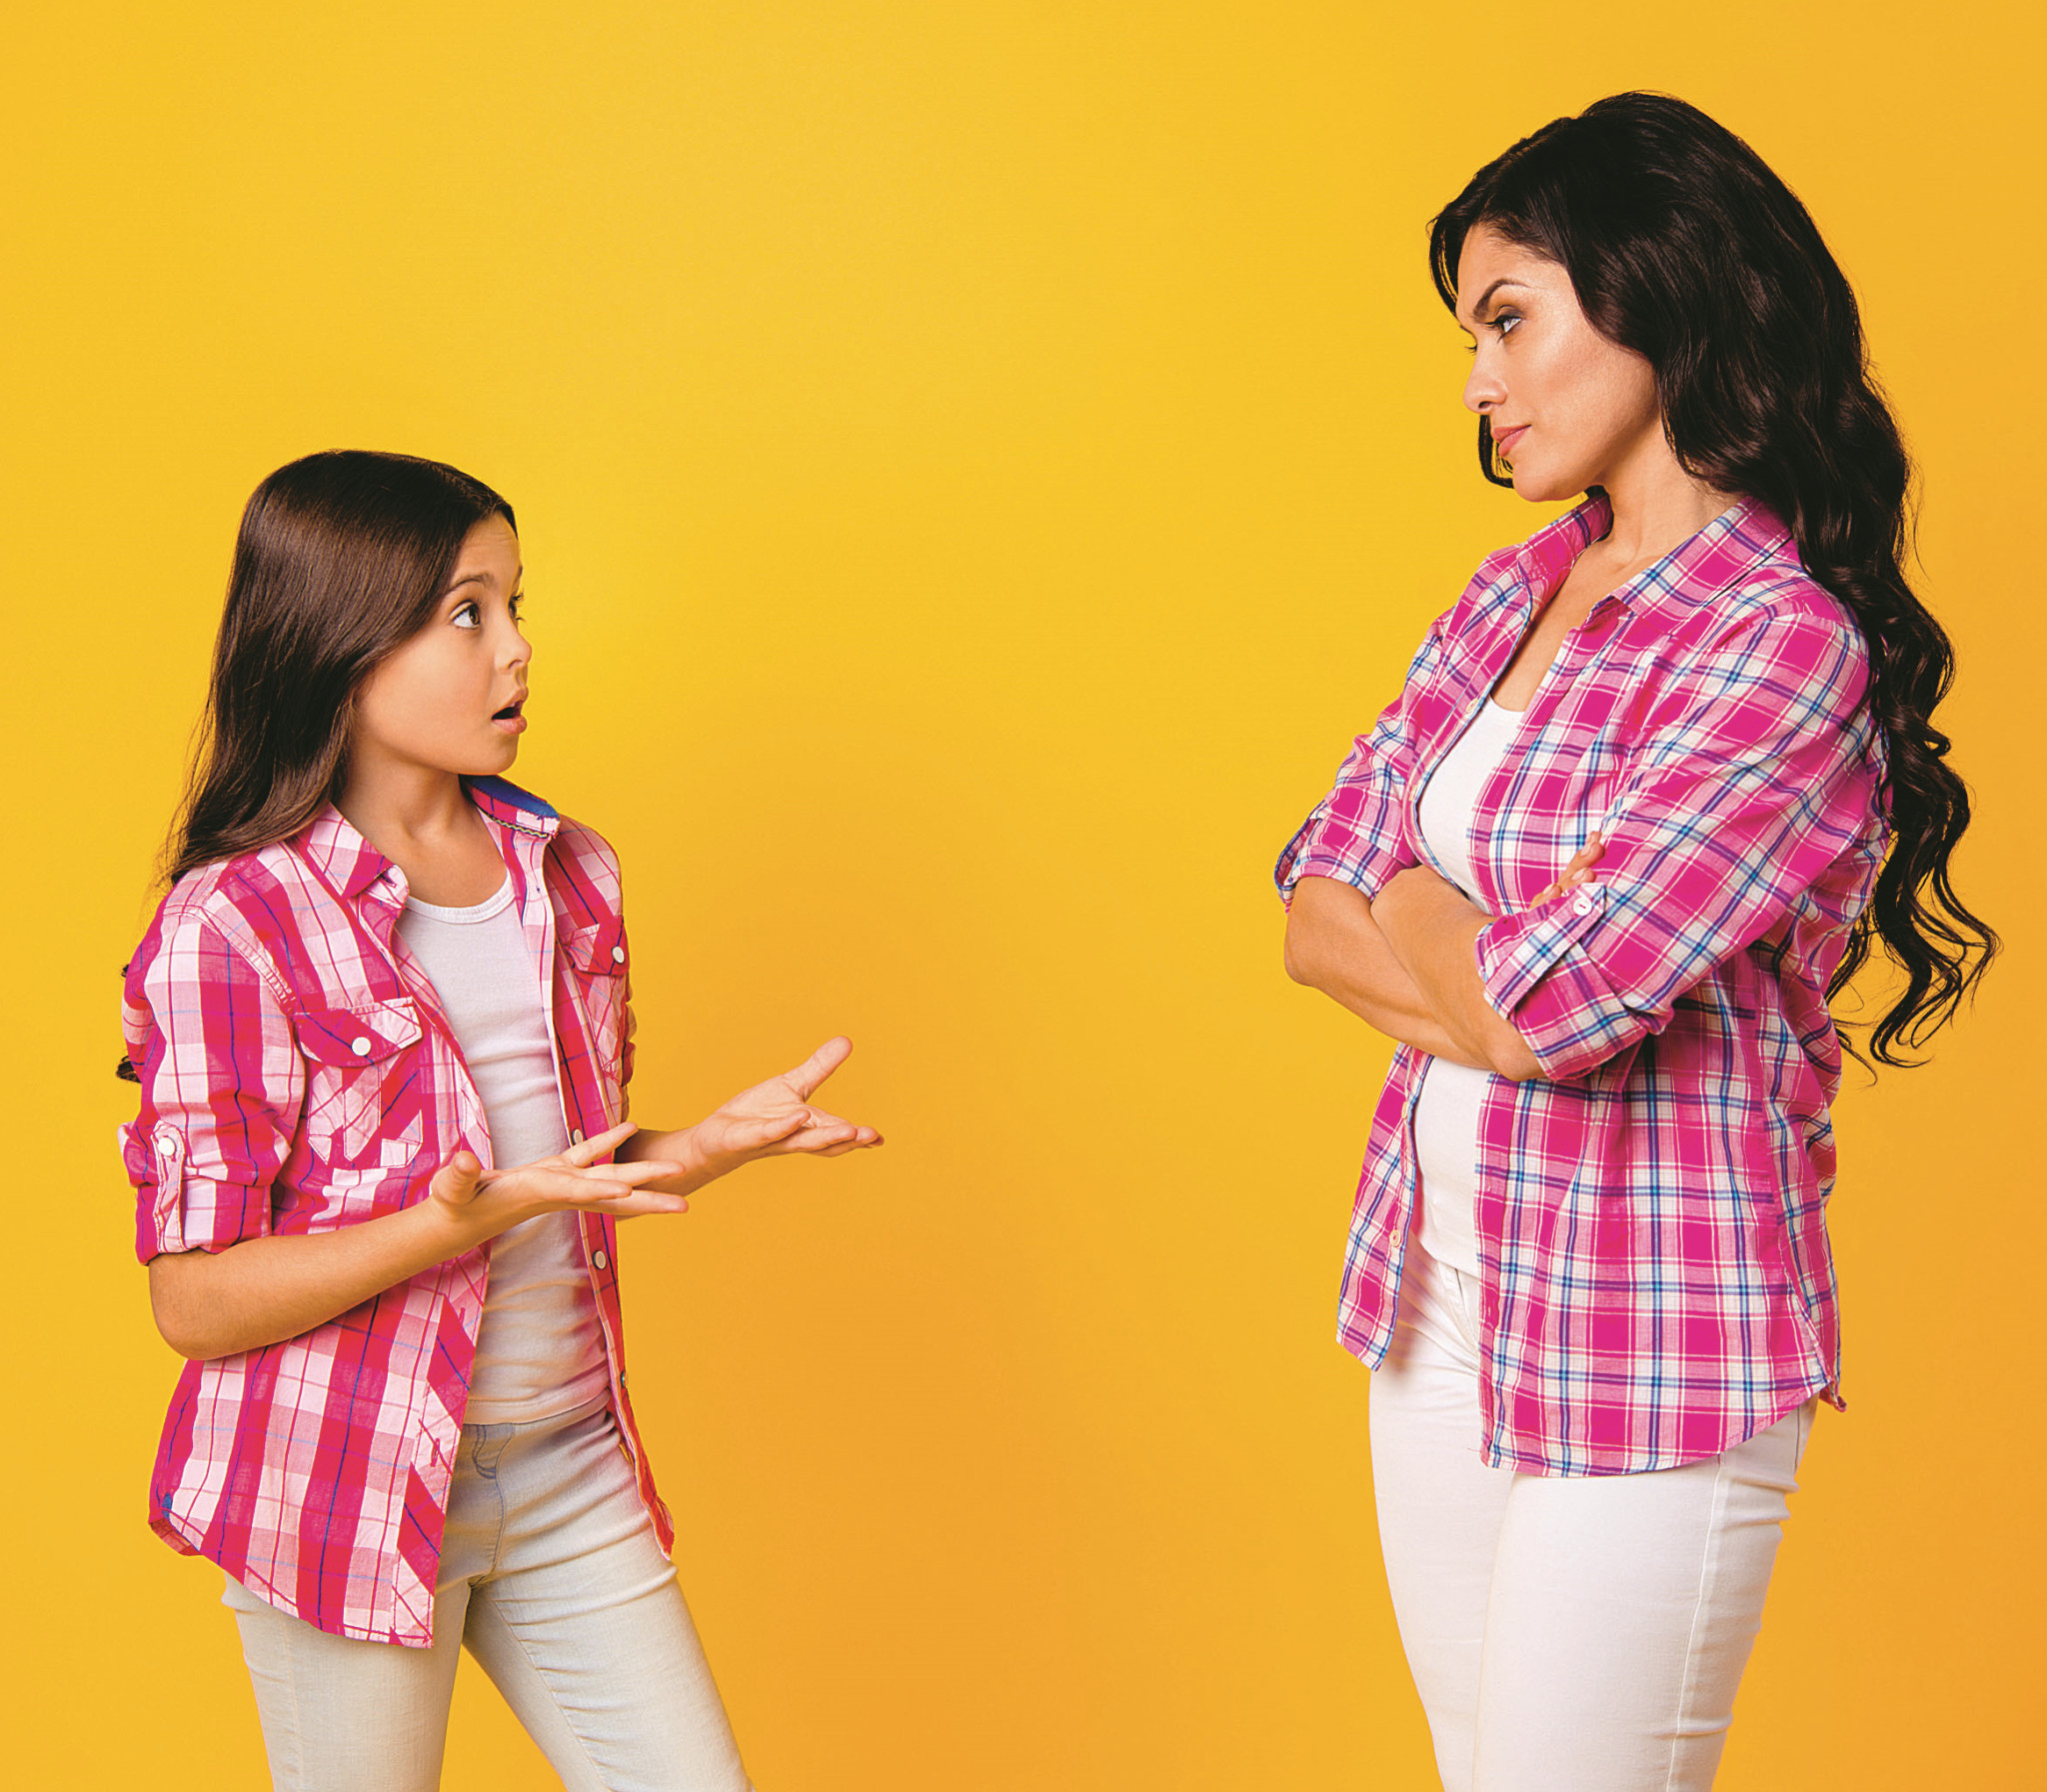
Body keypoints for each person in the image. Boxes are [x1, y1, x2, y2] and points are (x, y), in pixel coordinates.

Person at [1275, 94, 1993, 1791]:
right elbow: (1310, 904)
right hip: (1436, 1294)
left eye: (1509, 318)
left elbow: (1564, 1009)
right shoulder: (1511, 589)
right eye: (1470, 336)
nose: (1478, 380)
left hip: (1652, 1336)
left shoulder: (1782, 642)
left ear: (1652, 293)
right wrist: (1477, 955)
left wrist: (1422, 898)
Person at [118, 450, 883, 1791]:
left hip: (569, 1457)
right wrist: (448, 1226)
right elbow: (194, 1300)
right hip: (349, 1482)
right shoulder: (235, 922)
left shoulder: (571, 873)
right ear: (346, 643)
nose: (517, 649)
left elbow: (557, 1172)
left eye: (516, 605)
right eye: (466, 614)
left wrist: (700, 1148)